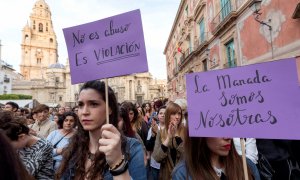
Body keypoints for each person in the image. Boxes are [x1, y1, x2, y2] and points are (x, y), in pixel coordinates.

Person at [55, 80, 146, 179]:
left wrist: (117, 164)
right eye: (81, 105)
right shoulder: (73, 147)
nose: (84, 112)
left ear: (110, 109)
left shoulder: (132, 148)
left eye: (94, 104)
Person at [0, 111, 54, 179]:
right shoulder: (18, 143)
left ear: (21, 137)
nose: (8, 147)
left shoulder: (44, 145)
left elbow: (28, 171)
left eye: (9, 144)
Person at [172, 135, 253, 180]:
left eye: (229, 125)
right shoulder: (183, 173)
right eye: (219, 128)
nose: (228, 137)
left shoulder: (246, 165)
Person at [152, 102, 186, 180]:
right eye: (173, 114)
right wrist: (168, 138)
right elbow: (156, 157)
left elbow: (188, 154)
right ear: (168, 115)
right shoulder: (161, 132)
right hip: (166, 175)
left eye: (179, 114)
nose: (177, 117)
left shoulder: (186, 131)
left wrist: (177, 135)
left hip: (183, 175)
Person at [146, 105, 166, 180]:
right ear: (157, 115)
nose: (163, 115)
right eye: (161, 113)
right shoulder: (152, 128)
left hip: (167, 164)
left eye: (165, 113)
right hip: (155, 164)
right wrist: (153, 136)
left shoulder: (171, 128)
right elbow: (148, 146)